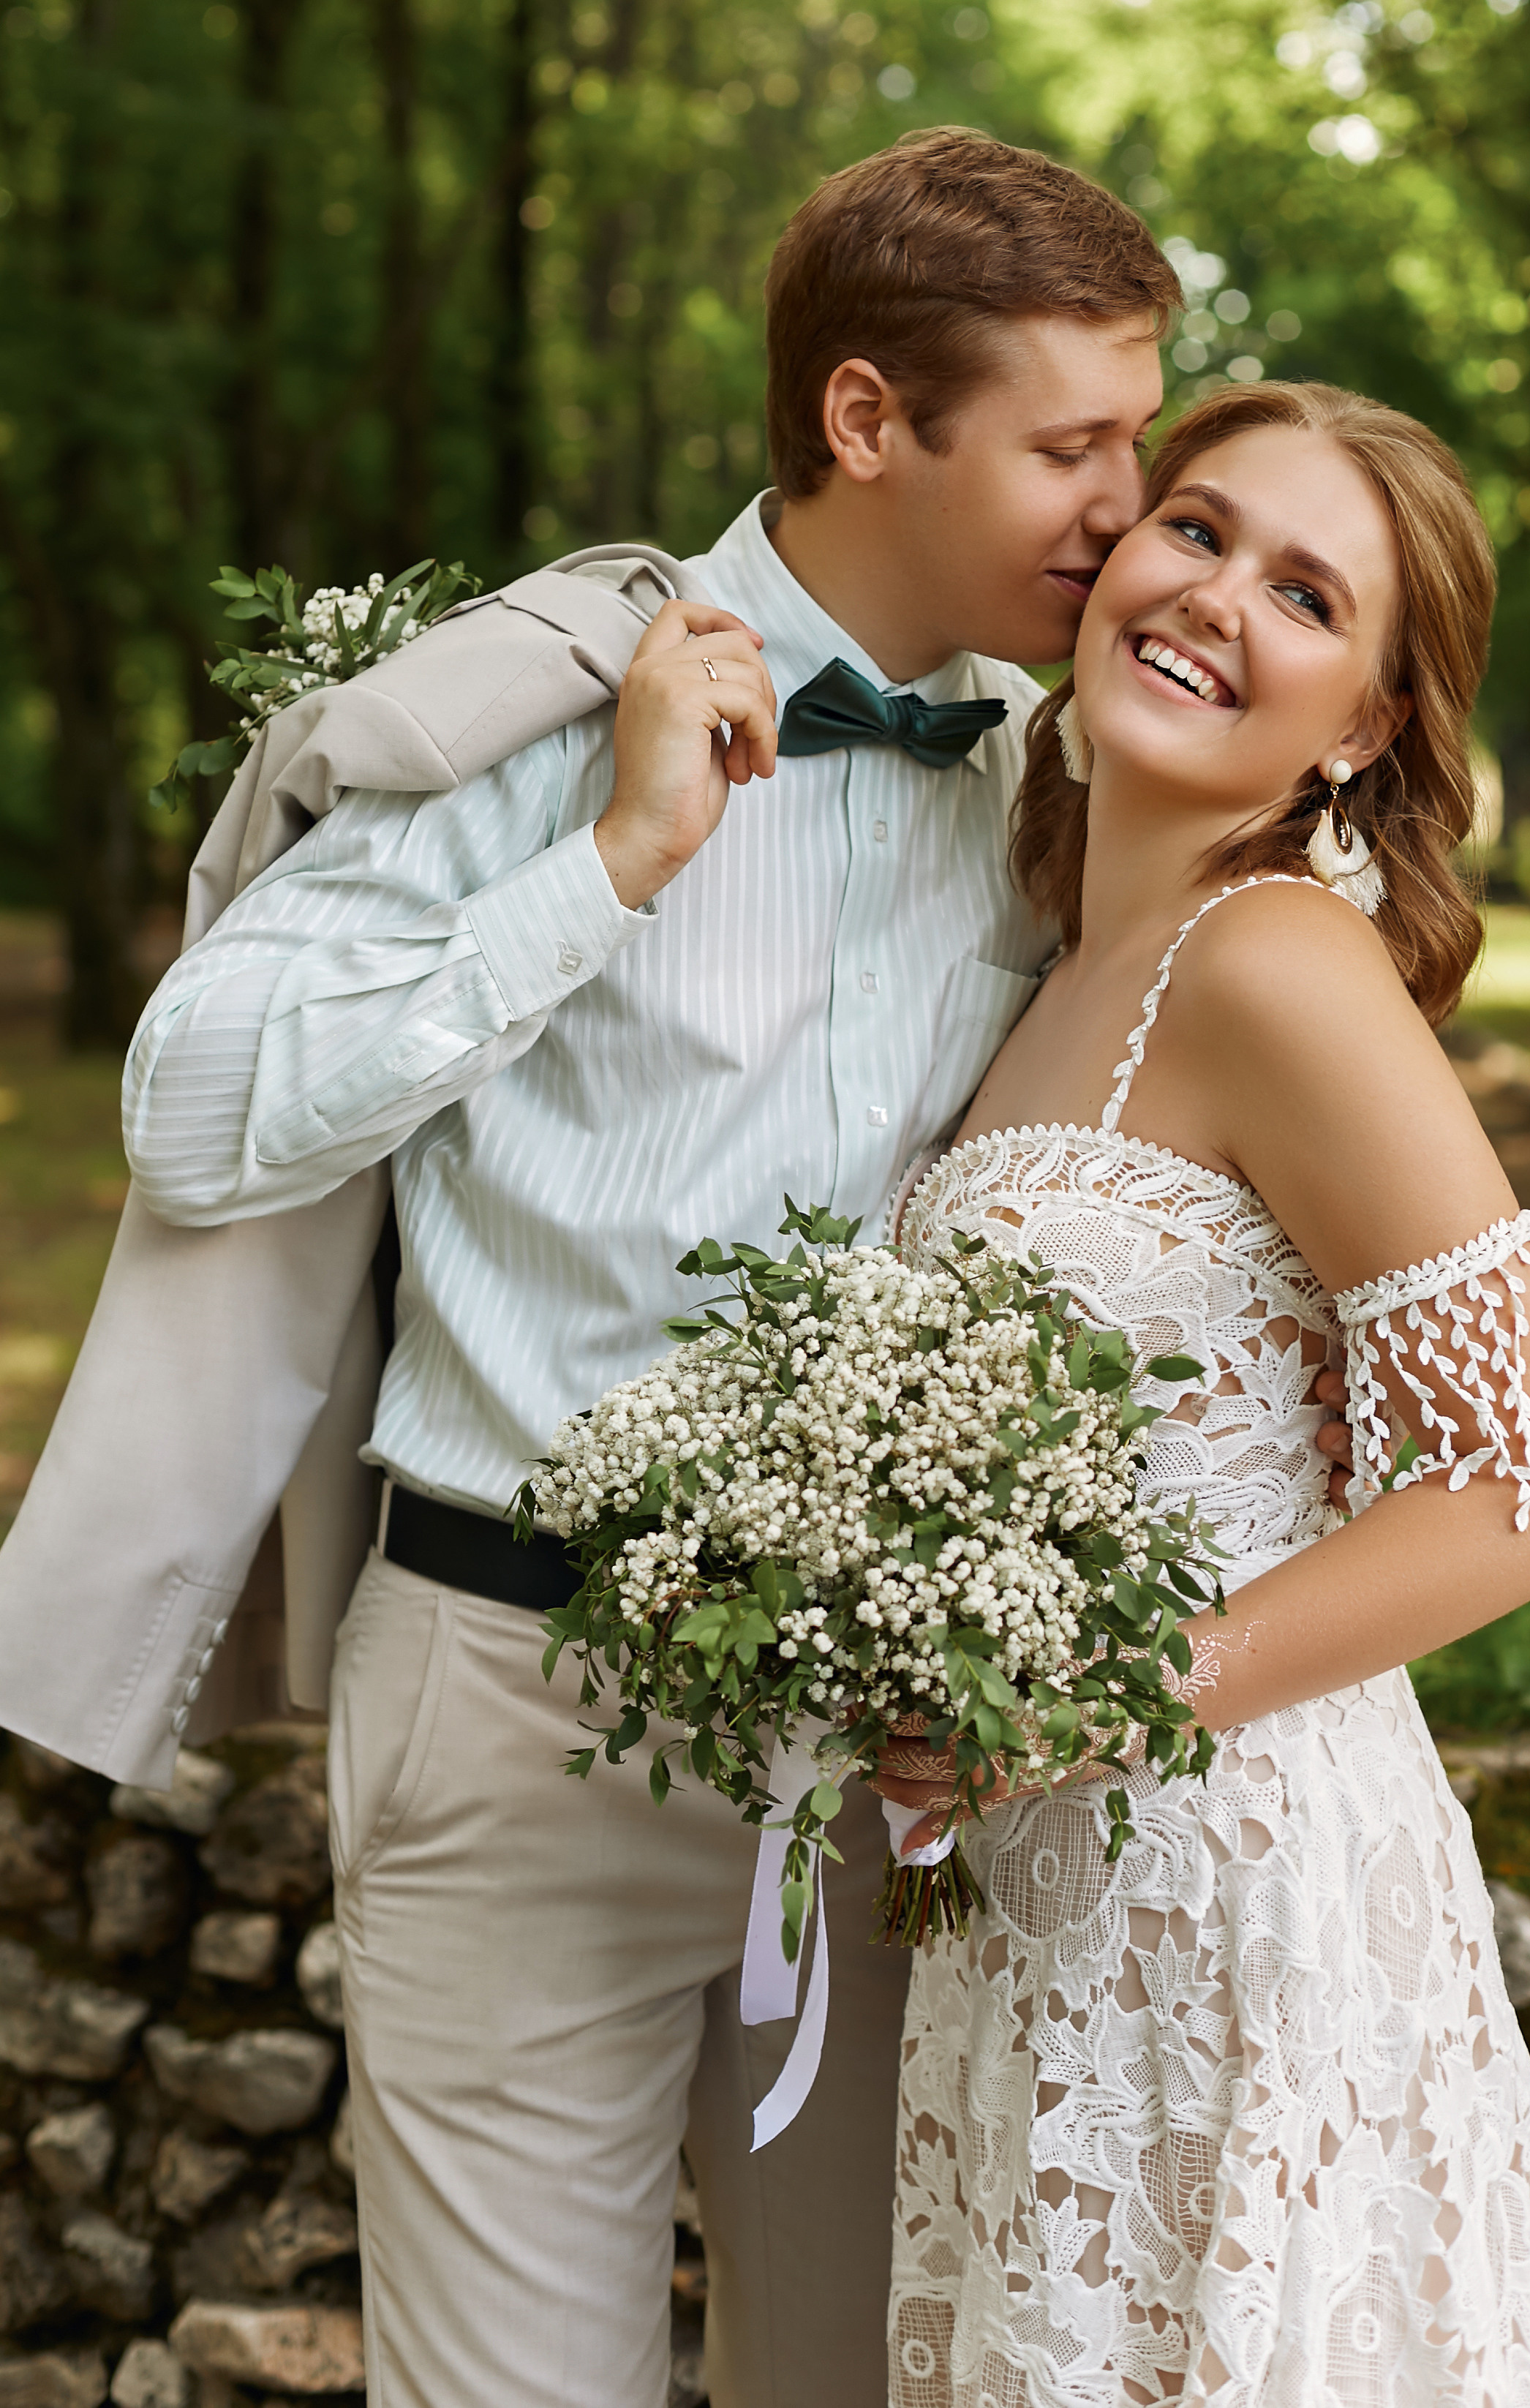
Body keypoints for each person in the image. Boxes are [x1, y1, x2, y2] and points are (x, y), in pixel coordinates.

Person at [116, 132, 1350, 2408]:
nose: (1122, 500)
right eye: (1077, 444)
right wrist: (610, 859)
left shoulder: (1066, 770)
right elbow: (194, 1110)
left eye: (1136, 440)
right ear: (872, 418)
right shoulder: (535, 704)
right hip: (512, 1692)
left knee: (886, 2375)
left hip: (897, 1762)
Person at [878, 380, 1530, 2406]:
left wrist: (1105, 1699)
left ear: (1366, 724)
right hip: (1040, 1930)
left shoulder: (1280, 964)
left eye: (1306, 593)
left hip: (1235, 1904)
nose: (1215, 596)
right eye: (1197, 529)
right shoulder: (1057, 969)